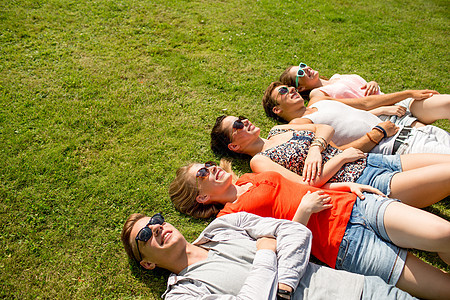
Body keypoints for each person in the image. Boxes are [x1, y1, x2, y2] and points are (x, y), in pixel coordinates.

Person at [169, 163, 450, 299]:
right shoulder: (229, 221)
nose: (210, 169)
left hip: (356, 205)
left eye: (206, 165)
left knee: (444, 234)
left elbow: (302, 184)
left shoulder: (250, 176)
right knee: (444, 289)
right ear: (202, 198)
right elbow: (278, 249)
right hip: (343, 246)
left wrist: (342, 186)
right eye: (202, 175)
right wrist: (303, 212)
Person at [122, 211, 419, 299]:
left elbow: (294, 232)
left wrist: (283, 289)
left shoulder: (224, 226)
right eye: (145, 235)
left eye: (155, 220)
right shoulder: (182, 296)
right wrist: (266, 252)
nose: (156, 228)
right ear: (147, 263)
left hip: (361, 291)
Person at [209, 115, 450, 208]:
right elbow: (305, 185)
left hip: (373, 160)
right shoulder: (260, 161)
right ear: (234, 146)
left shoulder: (279, 129)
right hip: (363, 180)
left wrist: (316, 148)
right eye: (237, 126)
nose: (244, 121)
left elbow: (325, 127)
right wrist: (341, 157)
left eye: (241, 118)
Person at [262, 82, 450, 155]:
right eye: (284, 92)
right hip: (400, 146)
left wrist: (408, 93)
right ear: (277, 109)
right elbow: (333, 154)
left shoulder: (318, 100)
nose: (292, 90)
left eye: (291, 87)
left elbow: (366, 103)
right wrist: (377, 134)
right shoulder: (299, 125)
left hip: (415, 131)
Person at [279, 62, 450, 125]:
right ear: (300, 88)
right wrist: (407, 93)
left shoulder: (337, 77)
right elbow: (359, 107)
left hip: (398, 102)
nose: (305, 69)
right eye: (300, 74)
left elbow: (365, 92)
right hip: (386, 117)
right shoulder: (318, 96)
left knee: (446, 103)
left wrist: (372, 83)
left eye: (302, 66)